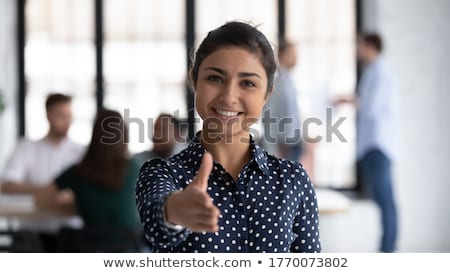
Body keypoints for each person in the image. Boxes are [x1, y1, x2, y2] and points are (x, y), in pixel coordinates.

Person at [135, 22, 320, 253]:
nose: (229, 96)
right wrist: (174, 212)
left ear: (266, 95)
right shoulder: (162, 173)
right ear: (194, 80)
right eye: (215, 78)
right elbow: (156, 224)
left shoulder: (293, 180)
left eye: (248, 83)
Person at [335, 33, 398, 252]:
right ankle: (386, 248)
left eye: (360, 46)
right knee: (383, 200)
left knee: (385, 200)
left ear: (370, 46)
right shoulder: (373, 71)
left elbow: (371, 107)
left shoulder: (380, 72)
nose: (358, 51)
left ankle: (388, 250)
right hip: (372, 144)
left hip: (377, 145)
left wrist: (350, 100)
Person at [35, 109, 141, 230]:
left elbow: (40, 200)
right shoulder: (134, 169)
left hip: (91, 245)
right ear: (125, 138)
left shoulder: (76, 172)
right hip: (130, 245)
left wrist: (77, 204)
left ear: (94, 137)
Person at [1, 93, 84, 194]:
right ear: (48, 115)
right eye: (61, 115)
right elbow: (7, 185)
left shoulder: (82, 152)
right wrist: (48, 192)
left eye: (69, 116)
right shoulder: (26, 148)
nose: (67, 121)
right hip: (34, 209)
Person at [262, 39, 303, 162]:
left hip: (292, 141)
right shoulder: (277, 80)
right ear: (282, 55)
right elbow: (269, 113)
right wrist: (272, 149)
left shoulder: (288, 79)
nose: (296, 58)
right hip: (282, 145)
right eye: (292, 54)